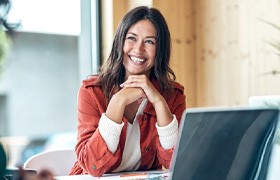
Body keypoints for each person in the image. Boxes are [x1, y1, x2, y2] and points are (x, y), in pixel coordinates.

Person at [69, 6, 186, 177]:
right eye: (132, 38)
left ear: (159, 51)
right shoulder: (91, 92)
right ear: (120, 42)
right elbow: (92, 165)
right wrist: (118, 102)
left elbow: (175, 163)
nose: (138, 49)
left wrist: (159, 102)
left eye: (149, 42)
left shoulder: (173, 95)